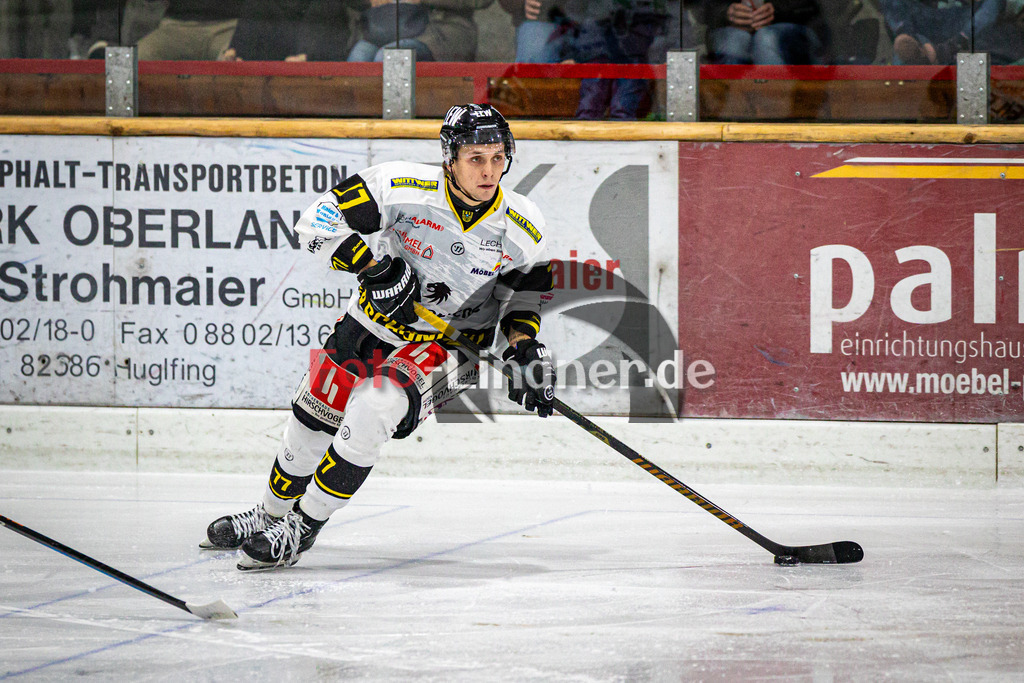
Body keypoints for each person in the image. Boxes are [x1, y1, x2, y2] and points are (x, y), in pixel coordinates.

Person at [200, 103, 555, 571]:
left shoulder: (524, 225)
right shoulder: (399, 184)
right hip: (370, 322)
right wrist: (374, 267)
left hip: (450, 346)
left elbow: (524, 298)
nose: (489, 171)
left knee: (374, 405)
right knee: (311, 420)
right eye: (475, 158)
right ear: (450, 158)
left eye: (497, 157)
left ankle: (301, 528)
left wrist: (524, 349)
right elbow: (316, 221)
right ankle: (270, 514)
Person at [881, 0, 1024, 65]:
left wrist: (949, 48)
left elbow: (1000, 9)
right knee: (909, 51)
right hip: (925, 34)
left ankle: (944, 50)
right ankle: (907, 37)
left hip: (973, 33)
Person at [348, 0, 494, 62]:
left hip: (439, 33)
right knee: (358, 57)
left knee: (390, 58)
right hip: (382, 29)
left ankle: (397, 126)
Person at [703, 0, 827, 65]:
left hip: (793, 27)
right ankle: (733, 110)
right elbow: (701, 7)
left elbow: (813, 5)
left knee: (767, 39)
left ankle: (775, 110)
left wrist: (777, 10)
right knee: (733, 41)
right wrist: (726, 12)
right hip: (731, 30)